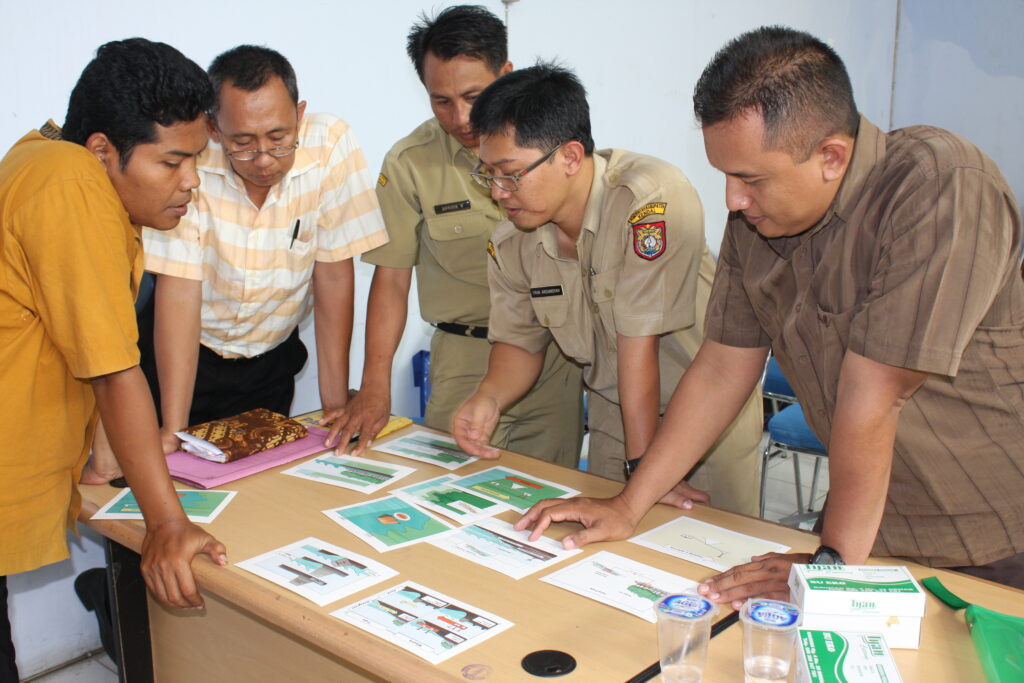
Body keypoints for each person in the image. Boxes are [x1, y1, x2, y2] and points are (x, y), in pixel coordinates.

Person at [517, 26, 1024, 596]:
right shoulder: (759, 221)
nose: (733, 199)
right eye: (726, 177)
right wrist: (630, 504)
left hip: (993, 534)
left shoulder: (939, 185)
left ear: (831, 156)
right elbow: (723, 367)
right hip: (871, 530)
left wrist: (830, 566)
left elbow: (876, 392)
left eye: (750, 179)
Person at [0, 38, 229, 679]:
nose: (190, 182)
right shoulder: (68, 181)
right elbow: (112, 367)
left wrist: (104, 458)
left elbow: (65, 343)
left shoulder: (45, 160)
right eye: (172, 162)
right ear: (103, 149)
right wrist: (166, 525)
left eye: (197, 161)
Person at [449, 64, 762, 513]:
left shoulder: (649, 202)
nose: (499, 192)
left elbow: (638, 343)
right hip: (616, 414)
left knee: (705, 557)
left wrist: (643, 470)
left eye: (511, 173)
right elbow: (519, 343)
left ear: (571, 157)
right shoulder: (513, 241)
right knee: (605, 555)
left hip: (702, 418)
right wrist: (488, 398)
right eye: (489, 175)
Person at [324, 5, 584, 464]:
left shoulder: (550, 148)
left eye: (474, 95)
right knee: (445, 494)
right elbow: (392, 279)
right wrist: (374, 386)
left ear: (506, 73)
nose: (462, 116)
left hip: (554, 355)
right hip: (466, 358)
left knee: (553, 496)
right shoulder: (411, 162)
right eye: (441, 100)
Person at [136, 45, 388, 461]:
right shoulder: (190, 157)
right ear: (214, 129)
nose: (265, 159)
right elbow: (179, 290)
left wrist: (335, 406)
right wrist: (173, 428)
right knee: (161, 488)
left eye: (278, 137)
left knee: (253, 496)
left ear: (299, 115)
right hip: (178, 358)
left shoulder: (330, 145)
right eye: (244, 143)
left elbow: (333, 277)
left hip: (270, 364)